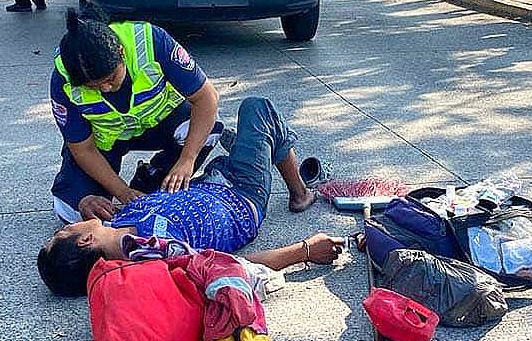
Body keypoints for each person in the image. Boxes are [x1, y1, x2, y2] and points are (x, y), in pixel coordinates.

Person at [38, 96, 326, 297]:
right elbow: (234, 266)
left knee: (225, 134)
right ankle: (299, 192)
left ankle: (247, 145)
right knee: (257, 108)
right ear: (86, 241)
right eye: (62, 233)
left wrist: (87, 201)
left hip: (199, 185)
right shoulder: (157, 256)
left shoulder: (111, 226)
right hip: (241, 193)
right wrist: (306, 250)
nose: (66, 226)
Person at [51, 6, 225, 223]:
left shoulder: (151, 41)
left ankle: (152, 180)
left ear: (121, 53)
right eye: (93, 86)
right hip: (103, 142)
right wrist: (121, 191)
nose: (105, 88)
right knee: (74, 212)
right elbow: (82, 148)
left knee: (207, 130)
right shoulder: (63, 77)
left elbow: (206, 99)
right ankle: (111, 195)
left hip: (158, 124)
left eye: (111, 78)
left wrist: (187, 159)